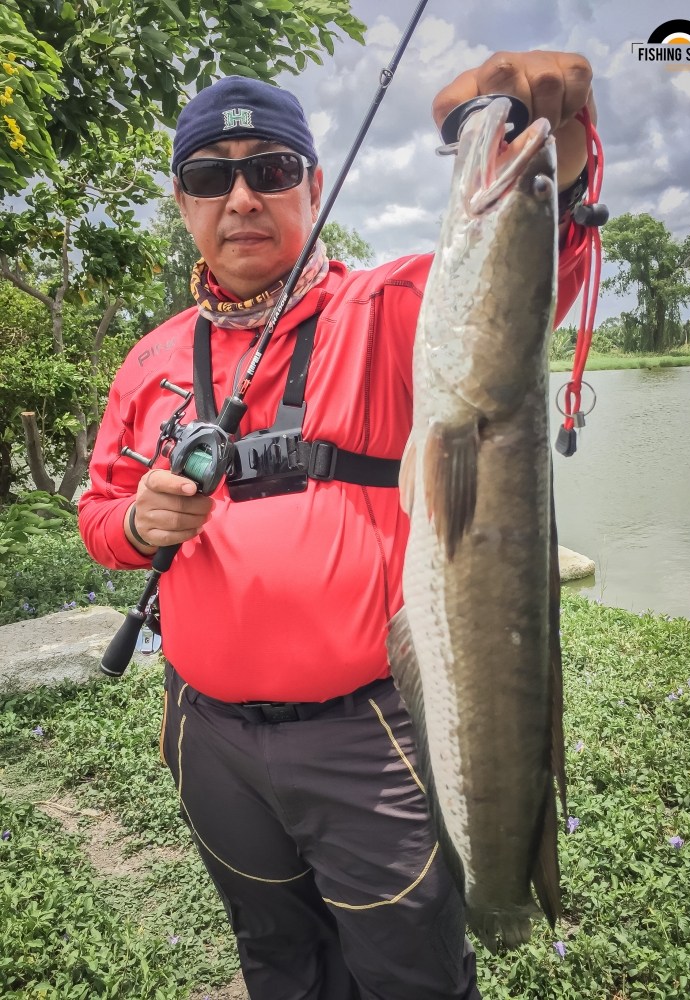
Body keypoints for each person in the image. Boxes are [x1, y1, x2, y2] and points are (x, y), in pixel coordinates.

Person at [79, 48, 597, 1000]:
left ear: (312, 184)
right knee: (275, 953)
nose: (241, 197)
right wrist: (138, 524)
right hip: (207, 738)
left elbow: (525, 285)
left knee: (411, 970)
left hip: (370, 737)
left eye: (271, 170)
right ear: (184, 202)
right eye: (210, 176)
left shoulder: (394, 305)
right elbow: (100, 517)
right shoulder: (147, 359)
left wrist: (548, 136)